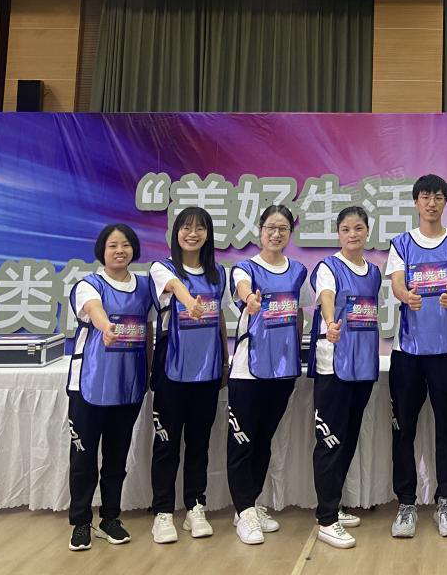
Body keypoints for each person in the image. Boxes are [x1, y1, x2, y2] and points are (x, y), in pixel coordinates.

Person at [387, 173, 447, 539]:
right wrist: (404, 295)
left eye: (438, 197)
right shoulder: (401, 243)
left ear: (445, 202)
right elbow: (396, 281)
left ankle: (446, 502)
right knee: (403, 429)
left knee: (446, 428)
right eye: (425, 196)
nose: (431, 203)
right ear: (416, 202)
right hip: (407, 351)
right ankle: (406, 503)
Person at [66, 223, 156, 551]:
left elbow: (148, 328)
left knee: (117, 458)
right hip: (88, 385)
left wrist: (148, 373)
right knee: (84, 458)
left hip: (128, 385)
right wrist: (106, 327)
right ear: (102, 251)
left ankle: (110, 518)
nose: (120, 251)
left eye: (125, 245)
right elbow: (94, 309)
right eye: (112, 245)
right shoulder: (89, 285)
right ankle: (80, 521)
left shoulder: (145, 287)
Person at [226, 204, 308, 545]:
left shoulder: (298, 271)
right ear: (260, 230)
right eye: (270, 228)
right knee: (242, 440)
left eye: (282, 229)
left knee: (263, 440)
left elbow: (298, 314)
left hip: (282, 371)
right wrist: (250, 300)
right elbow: (242, 288)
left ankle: (250, 503)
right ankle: (244, 510)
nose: (276, 234)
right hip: (248, 371)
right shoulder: (244, 268)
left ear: (290, 234)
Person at [147, 207, 228, 544]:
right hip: (171, 369)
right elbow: (175, 286)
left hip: (206, 371)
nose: (192, 234)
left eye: (200, 228)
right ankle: (163, 512)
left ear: (208, 235)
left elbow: (219, 318)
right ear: (176, 232)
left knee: (199, 444)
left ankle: (195, 506)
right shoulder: (161, 268)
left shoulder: (218, 273)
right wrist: (188, 301)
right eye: (186, 227)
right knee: (167, 444)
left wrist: (224, 361)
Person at [307, 205, 381, 549]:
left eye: (358, 228)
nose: (353, 234)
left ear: (367, 232)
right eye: (346, 229)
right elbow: (327, 296)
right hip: (333, 366)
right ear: (338, 233)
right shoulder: (328, 267)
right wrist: (330, 322)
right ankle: (326, 519)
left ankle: (333, 506)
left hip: (363, 367)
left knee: (348, 438)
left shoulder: (374, 272)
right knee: (330, 440)